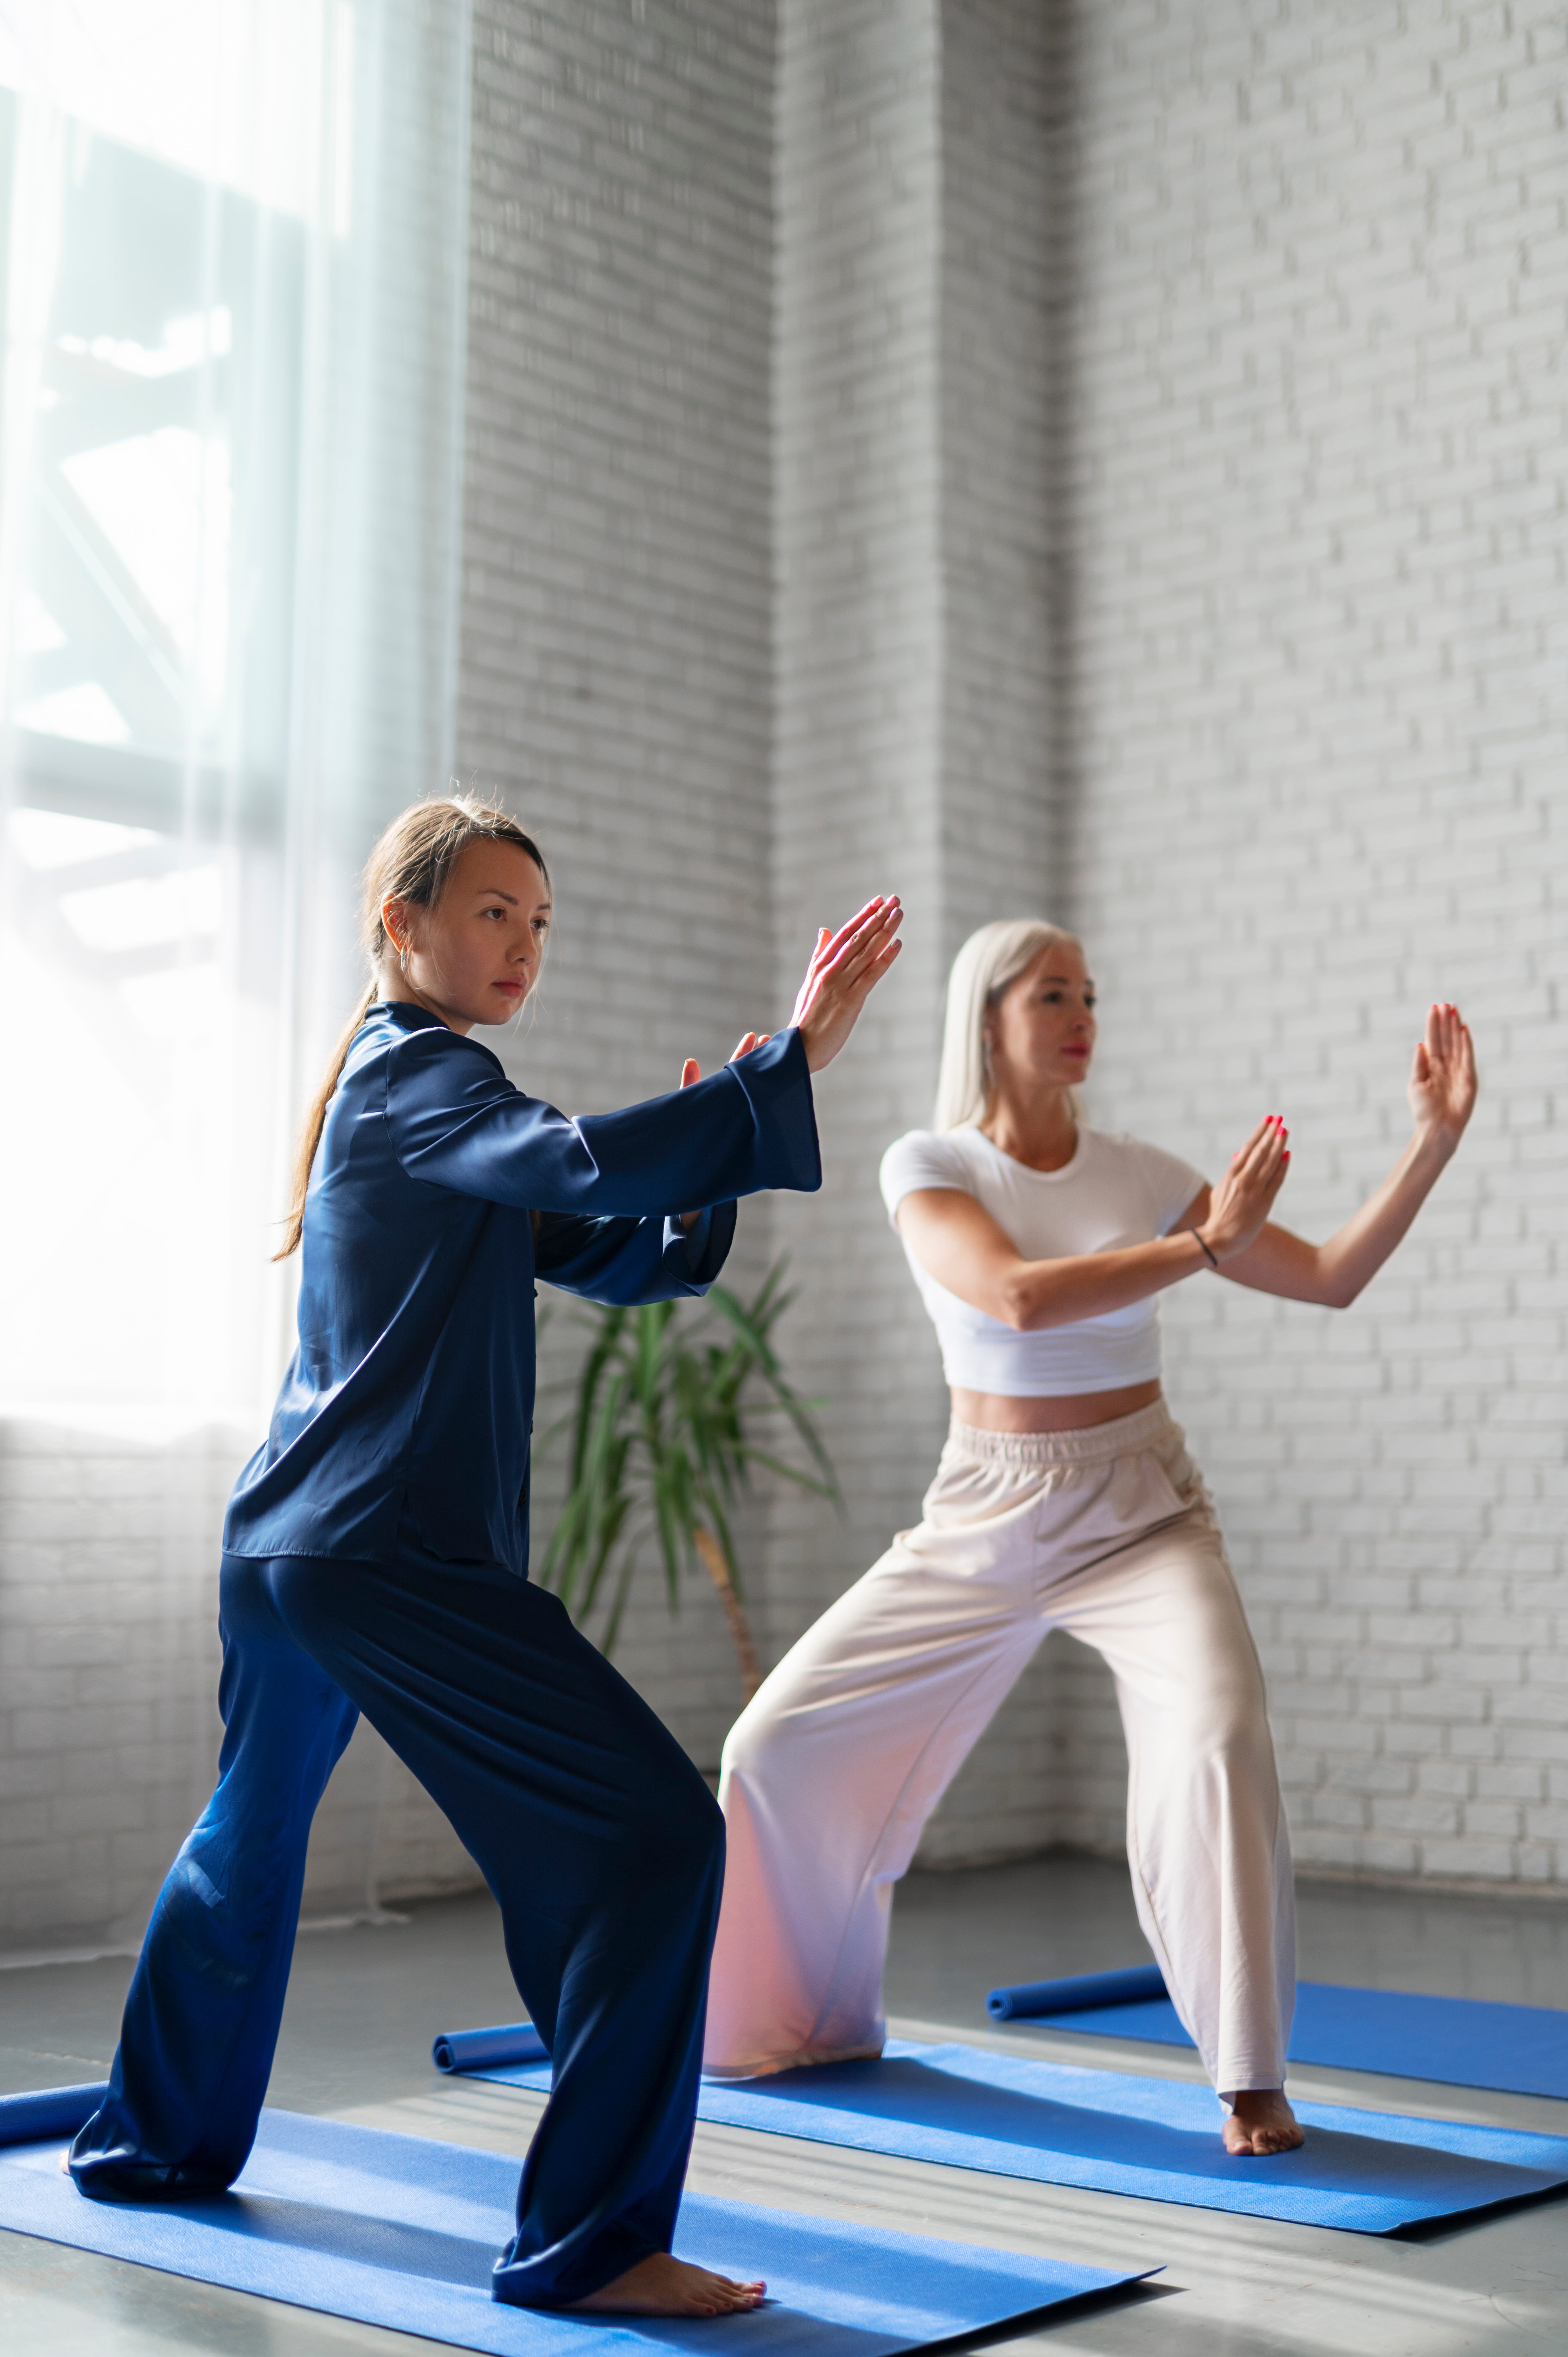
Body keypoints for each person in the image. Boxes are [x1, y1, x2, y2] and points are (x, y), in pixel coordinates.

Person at [68, 793, 903, 2315]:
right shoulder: (426, 1083)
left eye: (539, 924)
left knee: (242, 1857)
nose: (522, 947)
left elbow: (623, 1249)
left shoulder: (419, 1104)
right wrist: (786, 1068)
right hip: (384, 1558)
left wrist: (716, 1131)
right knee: (656, 1842)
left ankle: (152, 2145)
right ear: (402, 927)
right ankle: (594, 2244)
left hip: (290, 1556)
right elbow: (584, 1162)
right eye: (492, 914)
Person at [703, 918, 1476, 2157]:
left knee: (1218, 1736)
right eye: (1050, 992)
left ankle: (1247, 2077)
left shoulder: (1140, 1169)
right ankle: (795, 2018)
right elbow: (1007, 1293)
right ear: (988, 1015)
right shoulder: (929, 1161)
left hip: (1139, 1509)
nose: (1079, 1014)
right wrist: (1199, 1244)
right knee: (775, 1742)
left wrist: (1428, 1144)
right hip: (984, 1506)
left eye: (1089, 995)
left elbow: (1328, 1273)